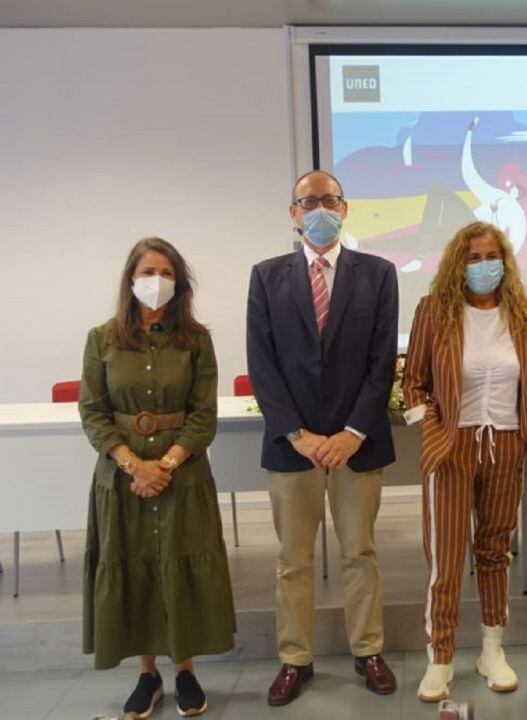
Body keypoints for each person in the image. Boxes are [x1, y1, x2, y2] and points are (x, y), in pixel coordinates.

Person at [246, 170, 400, 705]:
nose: (319, 209)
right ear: (292, 212)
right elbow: (262, 365)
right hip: (293, 447)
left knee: (360, 552)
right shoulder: (266, 277)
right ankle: (295, 659)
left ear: (345, 208)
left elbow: (383, 362)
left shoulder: (378, 274)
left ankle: (368, 650)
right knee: (294, 559)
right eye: (308, 201)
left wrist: (353, 431)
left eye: (329, 200)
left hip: (358, 444)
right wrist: (299, 434)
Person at [80, 237, 235, 718]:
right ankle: (147, 675)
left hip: (182, 478)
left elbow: (202, 414)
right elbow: (93, 411)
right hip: (122, 481)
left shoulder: (196, 340)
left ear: (179, 283)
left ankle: (185, 670)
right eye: (147, 272)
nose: (156, 281)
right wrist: (135, 465)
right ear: (130, 280)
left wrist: (164, 466)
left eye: (166, 273)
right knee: (136, 566)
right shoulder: (101, 338)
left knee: (177, 564)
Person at [401, 221, 527, 702]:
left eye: (492, 255)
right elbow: (412, 383)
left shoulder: (523, 315)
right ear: (459, 264)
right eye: (474, 257)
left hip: (506, 445)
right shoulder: (433, 312)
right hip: (451, 448)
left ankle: (492, 650)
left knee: (494, 551)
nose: (485, 266)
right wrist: (433, 434)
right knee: (445, 559)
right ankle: (440, 657)